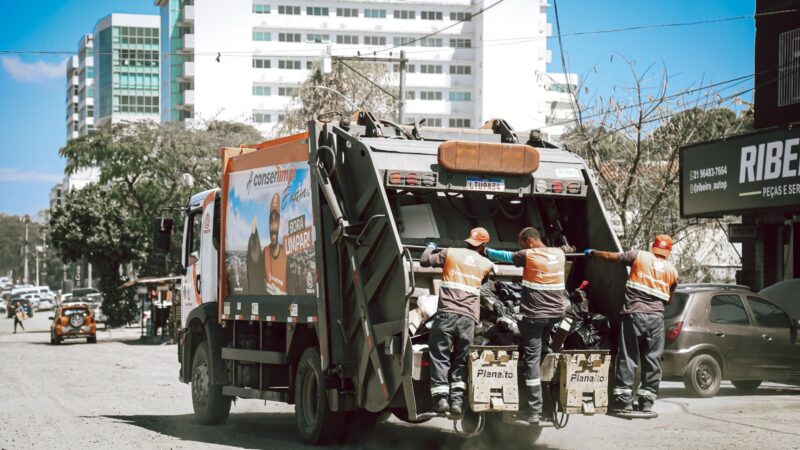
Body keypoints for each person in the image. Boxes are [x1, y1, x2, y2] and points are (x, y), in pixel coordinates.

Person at [584, 234, 678, 415]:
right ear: (669, 251)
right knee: (652, 360)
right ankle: (646, 404)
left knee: (628, 357)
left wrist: (593, 253)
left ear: (654, 246)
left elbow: (612, 257)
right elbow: (669, 300)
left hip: (634, 315)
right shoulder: (672, 271)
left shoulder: (639, 256)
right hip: (656, 319)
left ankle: (624, 402)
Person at [484, 227, 567, 424]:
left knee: (531, 361)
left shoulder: (528, 255)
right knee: (542, 351)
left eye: (522, 243)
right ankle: (547, 405)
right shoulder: (559, 253)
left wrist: (485, 251)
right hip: (556, 315)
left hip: (535, 318)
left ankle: (534, 411)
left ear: (530, 241)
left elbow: (505, 255)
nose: (521, 247)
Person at [421, 227, 495, 417]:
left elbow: (424, 261)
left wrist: (430, 247)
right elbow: (483, 284)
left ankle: (441, 400)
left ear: (468, 240)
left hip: (447, 315)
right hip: (468, 319)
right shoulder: (486, 264)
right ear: (484, 245)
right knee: (460, 361)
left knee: (440, 356)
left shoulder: (450, 253)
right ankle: (457, 402)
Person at [264, 193, 288, 295]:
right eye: (271, 220)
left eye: (276, 220)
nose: (273, 226)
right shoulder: (265, 252)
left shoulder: (286, 254)